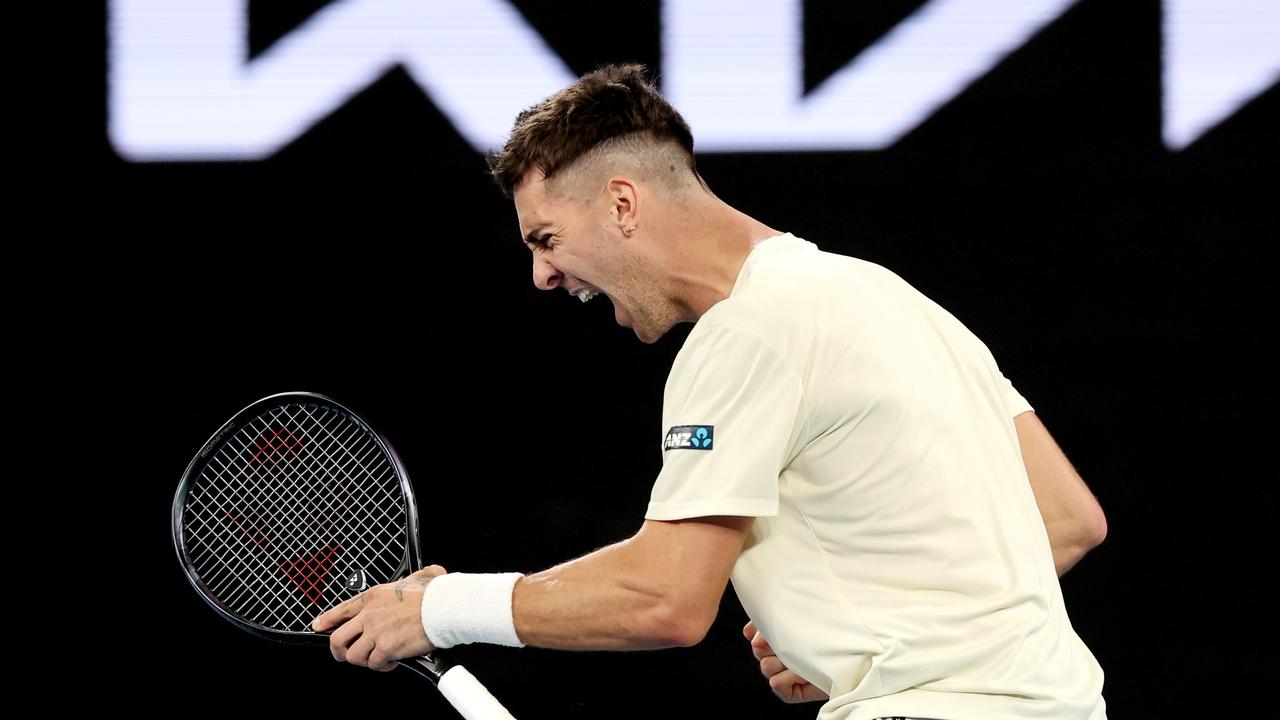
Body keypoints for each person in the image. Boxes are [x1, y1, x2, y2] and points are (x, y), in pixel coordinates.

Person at [312, 64, 1109, 719]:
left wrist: (439, 611)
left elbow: (665, 599)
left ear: (622, 203)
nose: (542, 275)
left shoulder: (746, 333)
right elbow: (1069, 520)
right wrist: (854, 637)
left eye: (546, 238)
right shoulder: (893, 297)